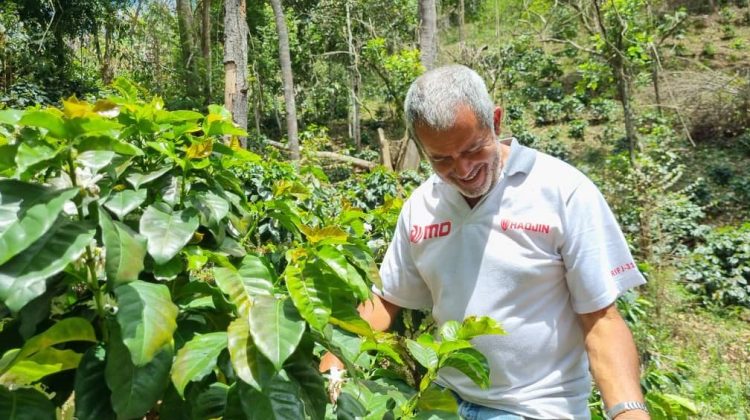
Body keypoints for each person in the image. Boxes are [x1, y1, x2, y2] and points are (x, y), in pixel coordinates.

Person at [320, 64, 649, 420]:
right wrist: (333, 360)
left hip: (536, 408)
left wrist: (628, 411)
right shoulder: (421, 206)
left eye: (473, 149)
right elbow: (387, 300)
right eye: (441, 159)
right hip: (444, 402)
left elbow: (601, 319)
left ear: (495, 121)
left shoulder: (563, 192)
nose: (462, 170)